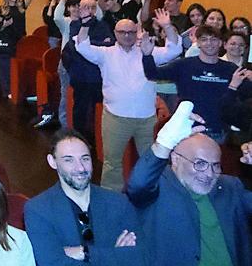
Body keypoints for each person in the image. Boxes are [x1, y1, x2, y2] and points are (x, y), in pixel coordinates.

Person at [125, 103, 252, 266]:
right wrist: (165, 141)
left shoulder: (230, 189)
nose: (209, 173)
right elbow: (138, 185)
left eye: (215, 165)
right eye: (200, 164)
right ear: (175, 159)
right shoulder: (159, 187)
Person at [24, 130, 148, 266]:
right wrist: (115, 258)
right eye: (68, 160)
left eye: (85, 158)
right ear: (53, 162)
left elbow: (141, 259)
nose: (80, 168)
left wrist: (85, 252)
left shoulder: (118, 203)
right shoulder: (38, 209)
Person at [74, 10, 181, 190]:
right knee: (112, 162)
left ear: (136, 32)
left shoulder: (148, 52)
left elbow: (174, 50)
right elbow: (82, 47)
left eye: (131, 32)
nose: (127, 36)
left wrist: (167, 26)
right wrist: (85, 24)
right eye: (122, 32)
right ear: (115, 33)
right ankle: (111, 197)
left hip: (147, 119)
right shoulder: (105, 53)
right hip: (115, 118)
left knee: (152, 161)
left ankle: (151, 194)